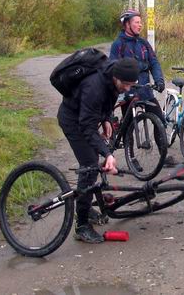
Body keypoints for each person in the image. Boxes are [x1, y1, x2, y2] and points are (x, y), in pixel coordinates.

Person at [57, 57, 138, 243]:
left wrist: (107, 119)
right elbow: (86, 127)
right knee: (90, 165)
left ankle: (85, 206)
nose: (127, 88)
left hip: (87, 117)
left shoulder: (113, 78)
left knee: (92, 164)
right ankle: (82, 225)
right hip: (73, 120)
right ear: (116, 77)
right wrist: (107, 154)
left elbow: (108, 101)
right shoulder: (94, 87)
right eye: (125, 84)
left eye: (131, 85)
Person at [109, 9, 175, 167]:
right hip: (128, 92)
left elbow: (154, 62)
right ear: (127, 24)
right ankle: (131, 158)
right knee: (128, 125)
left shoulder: (144, 43)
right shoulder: (119, 45)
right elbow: (112, 67)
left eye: (140, 22)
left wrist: (159, 80)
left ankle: (163, 155)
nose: (140, 25)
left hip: (145, 90)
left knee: (159, 118)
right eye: (136, 22)